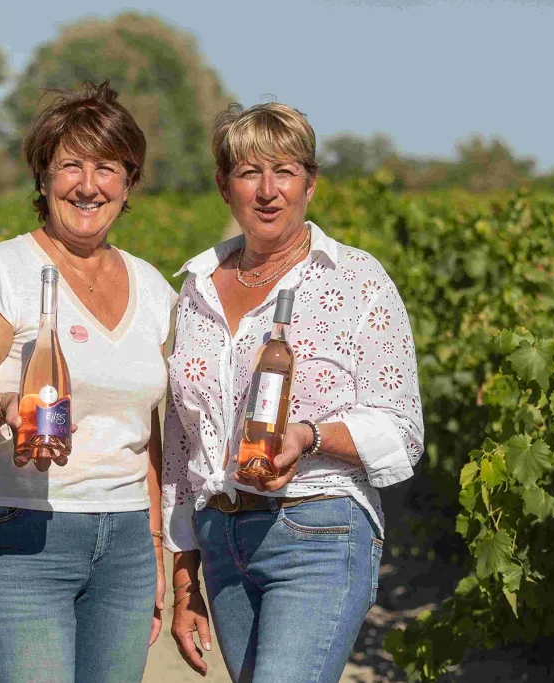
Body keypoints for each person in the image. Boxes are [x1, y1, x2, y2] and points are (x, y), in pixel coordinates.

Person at [162, 102, 424, 682]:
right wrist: (185, 580)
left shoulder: (357, 281)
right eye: (249, 172)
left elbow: (402, 431)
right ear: (224, 187)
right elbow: (182, 447)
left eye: (284, 170)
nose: (267, 190)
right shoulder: (195, 292)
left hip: (318, 528)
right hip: (220, 538)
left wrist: (307, 438)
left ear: (311, 181)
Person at [0, 82, 175, 683]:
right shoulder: (0, 275)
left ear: (129, 184)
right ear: (43, 179)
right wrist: (4, 405)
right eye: (70, 165)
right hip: (20, 530)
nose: (88, 184)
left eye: (107, 168)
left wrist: (153, 544)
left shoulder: (154, 290)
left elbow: (147, 432)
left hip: (124, 538)